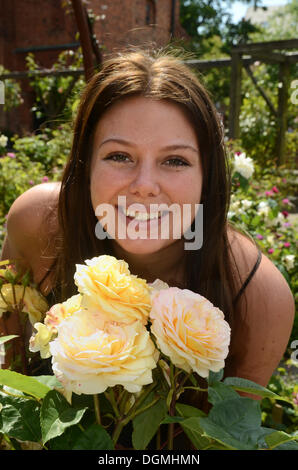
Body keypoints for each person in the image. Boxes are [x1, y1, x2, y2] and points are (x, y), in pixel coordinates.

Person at [0, 49, 294, 410]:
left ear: (208, 178)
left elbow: (228, 437)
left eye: (175, 161)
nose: (144, 185)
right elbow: (7, 377)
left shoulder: (258, 296)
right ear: (85, 164)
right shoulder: (37, 225)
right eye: (119, 156)